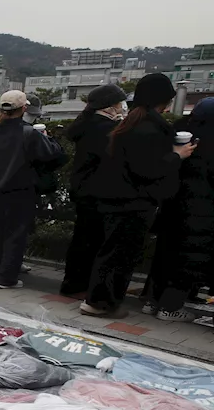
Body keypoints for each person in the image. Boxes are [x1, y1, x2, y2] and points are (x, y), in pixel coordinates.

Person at [79, 74, 195, 318]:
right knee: (120, 256)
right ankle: (101, 303)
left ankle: (97, 301)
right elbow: (147, 169)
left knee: (110, 252)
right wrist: (177, 155)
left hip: (116, 199)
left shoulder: (131, 122)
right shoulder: (148, 128)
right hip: (132, 201)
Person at [0, 91, 68, 289]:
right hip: (20, 190)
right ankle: (6, 278)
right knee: (15, 235)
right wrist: (48, 137)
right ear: (24, 108)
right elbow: (56, 155)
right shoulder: (29, 133)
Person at [146, 96, 214, 321]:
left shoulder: (179, 133)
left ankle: (152, 301)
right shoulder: (209, 140)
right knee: (189, 259)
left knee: (166, 253)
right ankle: (170, 307)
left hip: (172, 204)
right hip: (201, 210)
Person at [60, 84, 128, 297]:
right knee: (92, 241)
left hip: (83, 188)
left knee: (82, 238)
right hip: (97, 190)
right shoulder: (105, 129)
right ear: (109, 105)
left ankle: (72, 283)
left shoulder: (87, 124)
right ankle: (79, 285)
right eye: (120, 103)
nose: (122, 107)